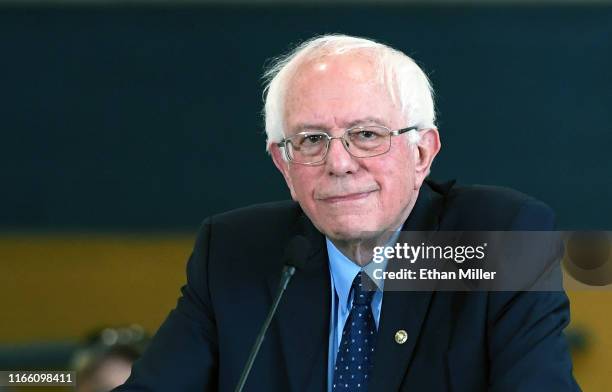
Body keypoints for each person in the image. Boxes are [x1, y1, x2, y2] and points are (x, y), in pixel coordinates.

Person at [114, 34, 579, 391]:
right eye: (312, 140)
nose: (339, 164)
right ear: (283, 163)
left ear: (422, 154)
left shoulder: (492, 242)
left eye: (368, 135)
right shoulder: (237, 252)